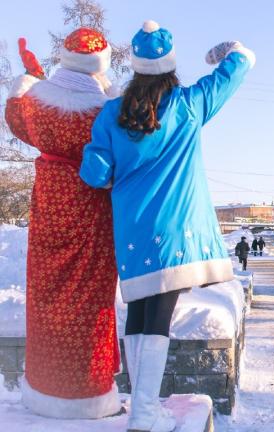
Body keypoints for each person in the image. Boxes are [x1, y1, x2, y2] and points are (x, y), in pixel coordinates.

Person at [80, 20, 255, 431]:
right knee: (158, 318)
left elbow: (95, 173)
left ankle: (146, 406)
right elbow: (241, 63)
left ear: (137, 68)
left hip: (134, 232)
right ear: (170, 67)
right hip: (178, 231)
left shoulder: (111, 114)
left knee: (141, 316)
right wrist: (225, 49)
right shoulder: (189, 104)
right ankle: (144, 413)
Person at [4, 30, 122, 418]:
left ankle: (46, 388)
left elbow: (16, 115)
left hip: (50, 204)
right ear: (101, 64)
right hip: (92, 205)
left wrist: (29, 79)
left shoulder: (37, 103)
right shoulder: (106, 110)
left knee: (47, 294)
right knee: (92, 298)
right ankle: (90, 392)